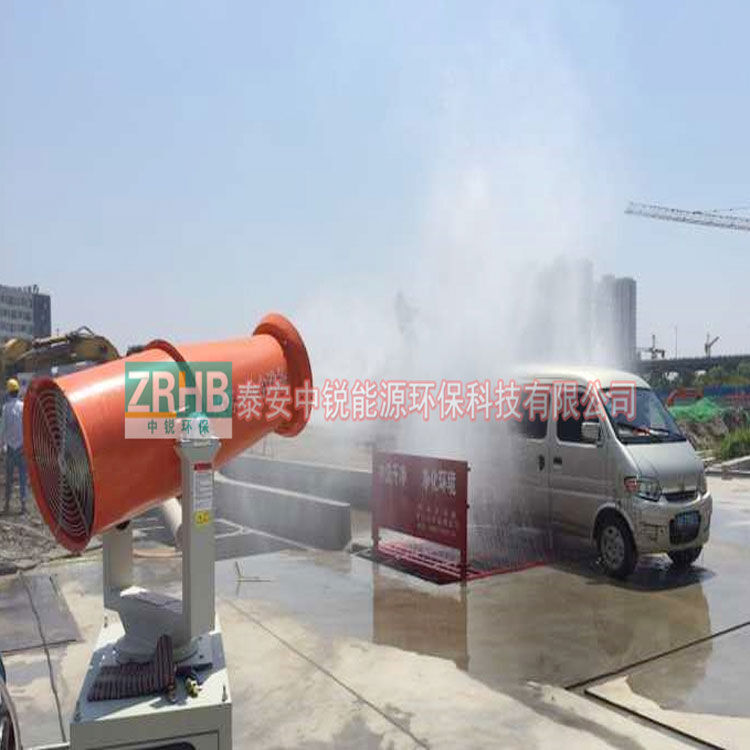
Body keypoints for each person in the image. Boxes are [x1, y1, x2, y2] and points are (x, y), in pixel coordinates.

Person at [1, 378, 26, 514]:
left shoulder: (5, 408)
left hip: (10, 448)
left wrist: (1, 446)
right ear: (17, 391)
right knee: (22, 477)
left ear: (8, 392)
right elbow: (26, 428)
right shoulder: (23, 407)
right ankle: (23, 505)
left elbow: (3, 429)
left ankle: (7, 505)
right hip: (22, 448)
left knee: (9, 478)